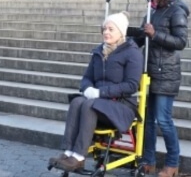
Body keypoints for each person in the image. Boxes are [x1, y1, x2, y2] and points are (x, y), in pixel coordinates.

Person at [49, 11, 143, 172]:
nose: (106, 32)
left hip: (120, 106)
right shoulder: (99, 51)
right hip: (97, 103)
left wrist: (100, 93)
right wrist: (87, 89)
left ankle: (79, 157)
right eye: (104, 29)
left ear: (121, 31)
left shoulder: (132, 53)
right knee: (77, 101)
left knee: (89, 105)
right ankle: (68, 152)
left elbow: (131, 86)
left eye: (111, 29)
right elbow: (86, 78)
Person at [130, 0, 190, 176]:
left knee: (164, 120)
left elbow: (181, 42)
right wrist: (124, 38)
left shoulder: (177, 11)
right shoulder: (151, 11)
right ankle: (149, 160)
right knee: (147, 119)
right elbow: (140, 38)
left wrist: (155, 34)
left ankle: (172, 164)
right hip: (149, 72)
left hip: (167, 74)